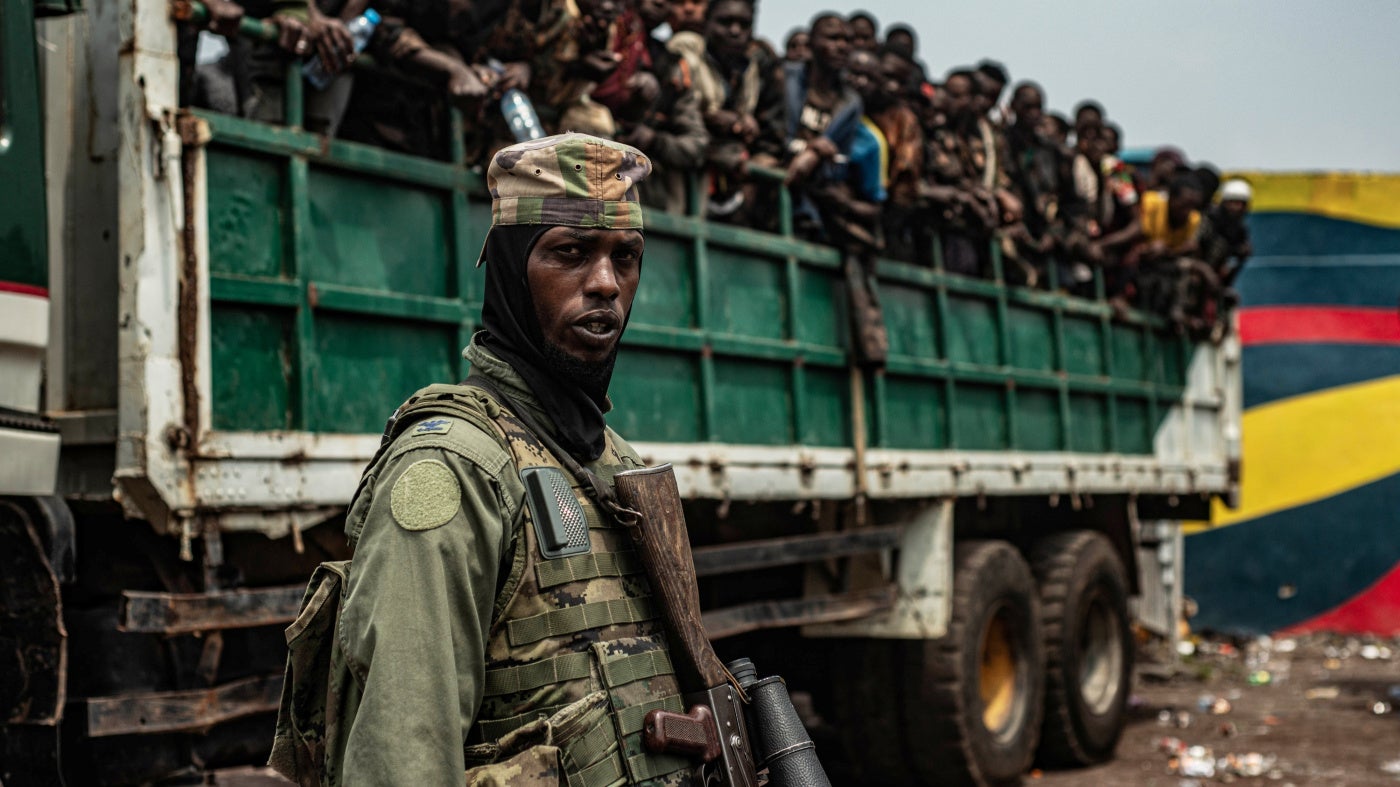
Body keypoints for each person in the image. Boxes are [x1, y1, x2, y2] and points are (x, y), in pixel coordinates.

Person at [271, 133, 700, 786]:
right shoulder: (453, 467)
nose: (607, 283)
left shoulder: (615, 461)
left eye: (626, 256)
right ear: (509, 270)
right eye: (571, 253)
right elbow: (402, 756)